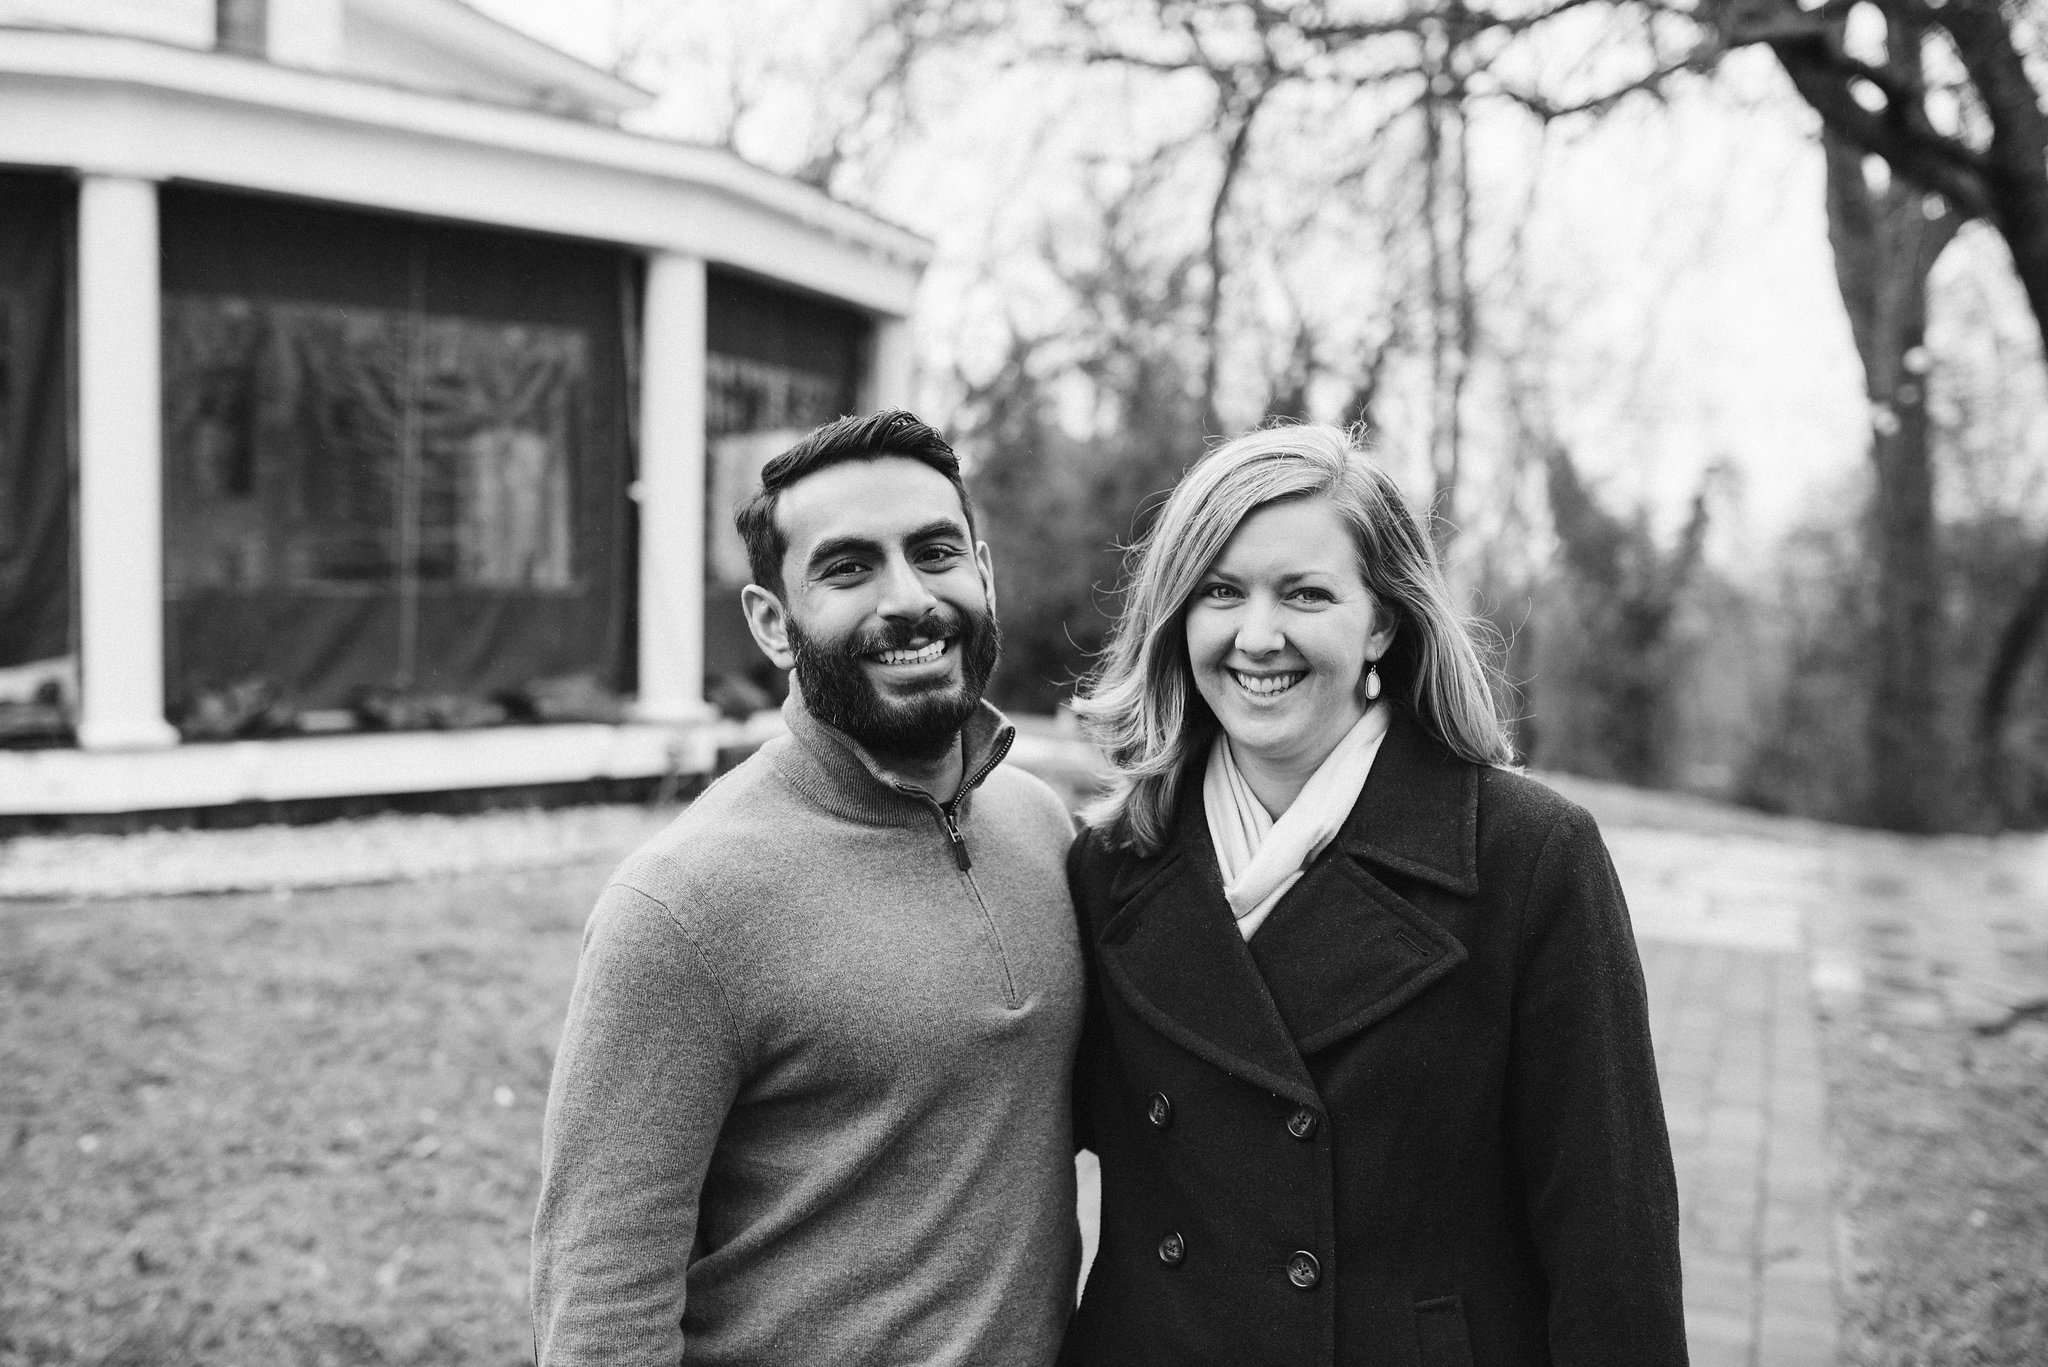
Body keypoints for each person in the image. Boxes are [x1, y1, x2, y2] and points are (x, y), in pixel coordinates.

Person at [1061, 424, 1687, 1366]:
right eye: (1220, 591)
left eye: (1305, 593)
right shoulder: (1114, 863)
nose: (1256, 635)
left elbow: (1612, 1250)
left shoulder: (1528, 859)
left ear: (1384, 622)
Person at [531, 410, 1084, 1367]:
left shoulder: (1043, 826)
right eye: (848, 567)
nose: (909, 599)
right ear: (773, 624)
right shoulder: (683, 905)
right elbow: (602, 1307)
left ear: (984, 575)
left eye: (934, 551)